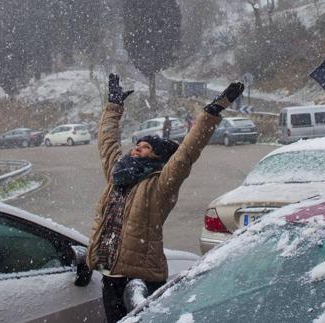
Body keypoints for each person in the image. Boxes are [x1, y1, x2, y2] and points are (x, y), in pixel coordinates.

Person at [87, 74, 244, 322]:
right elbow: (107, 141)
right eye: (137, 144)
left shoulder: (160, 185)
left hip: (140, 279)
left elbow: (185, 154)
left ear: (156, 157)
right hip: (111, 275)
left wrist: (212, 113)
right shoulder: (118, 174)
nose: (138, 147)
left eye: (146, 147)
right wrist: (114, 107)